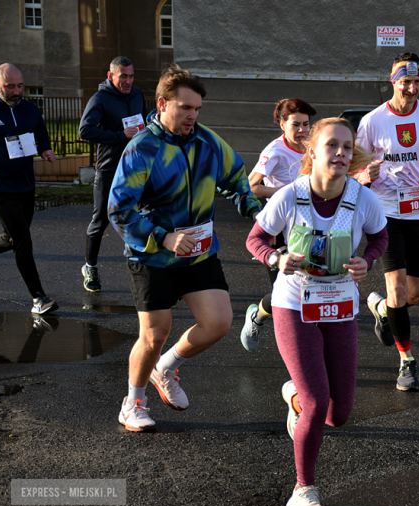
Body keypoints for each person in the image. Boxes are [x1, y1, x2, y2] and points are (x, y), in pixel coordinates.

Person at [246, 118, 388, 506]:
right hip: (294, 306)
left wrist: (367, 261)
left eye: (347, 147)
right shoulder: (290, 196)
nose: (341, 153)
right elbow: (255, 239)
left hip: (341, 305)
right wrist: (275, 257)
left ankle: (294, 394)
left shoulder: (363, 198)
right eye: (331, 146)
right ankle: (303, 489)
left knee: (337, 413)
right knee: (315, 403)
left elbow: (380, 237)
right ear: (312, 151)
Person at [108, 65, 261, 432]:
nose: (192, 115)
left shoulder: (208, 142)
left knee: (219, 323)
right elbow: (119, 209)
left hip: (199, 253)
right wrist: (163, 237)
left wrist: (260, 215)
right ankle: (133, 403)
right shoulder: (141, 149)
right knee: (154, 334)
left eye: (197, 109)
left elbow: (237, 182)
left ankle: (167, 367)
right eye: (184, 108)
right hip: (153, 255)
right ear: (162, 104)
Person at [354, 52, 419, 391]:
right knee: (397, 286)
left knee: (417, 294)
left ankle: (382, 308)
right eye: (406, 82)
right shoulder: (372, 122)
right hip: (385, 214)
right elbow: (351, 171)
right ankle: (406, 361)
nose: (412, 88)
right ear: (393, 82)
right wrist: (364, 174)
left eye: (417, 82)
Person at [240, 98, 317, 353]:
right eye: (296, 125)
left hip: (311, 227)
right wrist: (286, 191)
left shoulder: (313, 147)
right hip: (281, 228)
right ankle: (257, 316)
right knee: (284, 294)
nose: (302, 131)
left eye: (306, 124)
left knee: (312, 289)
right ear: (282, 124)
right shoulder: (275, 150)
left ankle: (309, 354)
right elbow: (251, 185)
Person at [0, 63, 58, 314]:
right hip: (0, 186)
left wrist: (46, 148)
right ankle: (38, 298)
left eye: (20, 86)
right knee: (23, 240)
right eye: (10, 86)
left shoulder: (31, 109)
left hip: (26, 184)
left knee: (12, 238)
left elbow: (41, 134)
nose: (17, 91)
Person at [78, 56, 147, 292]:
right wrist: (120, 136)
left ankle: (142, 261)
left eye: (131, 76)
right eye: (123, 77)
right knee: (100, 221)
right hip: (109, 168)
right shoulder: (100, 98)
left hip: (136, 167)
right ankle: (90, 266)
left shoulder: (137, 94)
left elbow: (145, 121)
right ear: (111, 76)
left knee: (142, 213)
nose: (128, 81)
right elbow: (85, 130)